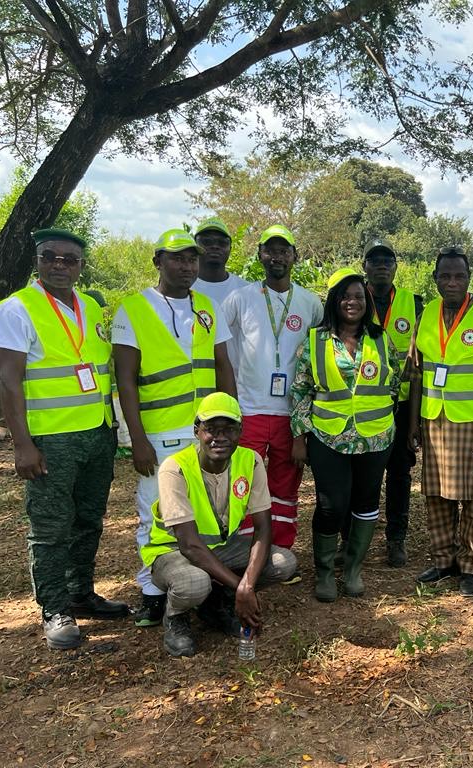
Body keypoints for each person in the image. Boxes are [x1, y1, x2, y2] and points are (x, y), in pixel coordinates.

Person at [0, 228, 128, 650]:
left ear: (81, 266)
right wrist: (22, 445)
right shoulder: (16, 309)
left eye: (69, 259)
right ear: (37, 261)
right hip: (50, 440)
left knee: (89, 520)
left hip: (96, 433)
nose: (59, 265)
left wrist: (112, 429)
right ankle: (54, 608)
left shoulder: (90, 306)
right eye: (50, 256)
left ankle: (80, 592)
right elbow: (9, 381)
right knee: (51, 527)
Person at [113, 229, 237, 629]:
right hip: (160, 436)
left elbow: (223, 366)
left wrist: (232, 424)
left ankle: (209, 594)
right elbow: (125, 380)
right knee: (157, 516)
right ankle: (153, 594)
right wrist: (137, 439)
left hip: (207, 435)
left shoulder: (206, 307)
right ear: (158, 262)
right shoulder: (133, 309)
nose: (186, 266)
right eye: (177, 258)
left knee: (210, 513)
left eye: (191, 259)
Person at [142, 392, 297, 657]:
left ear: (240, 431)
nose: (220, 437)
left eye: (229, 429)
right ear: (197, 431)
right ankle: (176, 616)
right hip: (173, 552)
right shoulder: (175, 468)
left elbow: (263, 528)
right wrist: (242, 587)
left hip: (221, 547)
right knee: (195, 583)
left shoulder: (250, 461)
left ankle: (216, 604)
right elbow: (189, 545)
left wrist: (246, 585)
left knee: (284, 563)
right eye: (211, 429)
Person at [290, 268, 401, 601]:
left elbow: (394, 383)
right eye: (345, 296)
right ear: (334, 301)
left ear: (366, 301)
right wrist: (299, 436)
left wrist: (385, 418)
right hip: (329, 436)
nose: (352, 302)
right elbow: (301, 390)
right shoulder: (315, 340)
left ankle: (353, 570)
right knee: (331, 505)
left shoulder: (381, 339)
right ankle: (325, 572)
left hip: (375, 437)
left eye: (358, 296)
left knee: (366, 503)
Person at [407, 246, 473, 598]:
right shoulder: (426, 314)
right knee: (436, 495)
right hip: (434, 422)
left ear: (469, 279)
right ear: (435, 279)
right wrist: (413, 422)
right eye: (445, 276)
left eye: (459, 276)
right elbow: (417, 374)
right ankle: (442, 560)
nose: (452, 282)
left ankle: (469, 566)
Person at [222, 225, 322, 557]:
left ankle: (280, 550)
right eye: (270, 250)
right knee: (243, 482)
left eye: (284, 250)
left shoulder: (310, 302)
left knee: (285, 486)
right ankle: (243, 552)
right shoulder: (240, 298)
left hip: (290, 414)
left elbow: (320, 352)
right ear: (260, 255)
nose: (276, 257)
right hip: (248, 409)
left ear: (295, 256)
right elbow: (218, 343)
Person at [361, 238, 424, 567]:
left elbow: (420, 363)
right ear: (365, 267)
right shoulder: (354, 299)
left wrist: (415, 420)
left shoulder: (414, 304)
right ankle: (356, 537)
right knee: (365, 474)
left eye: (388, 260)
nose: (382, 265)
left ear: (396, 267)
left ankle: (396, 538)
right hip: (365, 405)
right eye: (375, 260)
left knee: (399, 474)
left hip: (401, 405)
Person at [192, 217, 249, 306]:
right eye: (207, 242)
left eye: (222, 243)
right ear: (195, 247)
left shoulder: (246, 290)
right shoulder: (181, 288)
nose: (215, 246)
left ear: (230, 249)